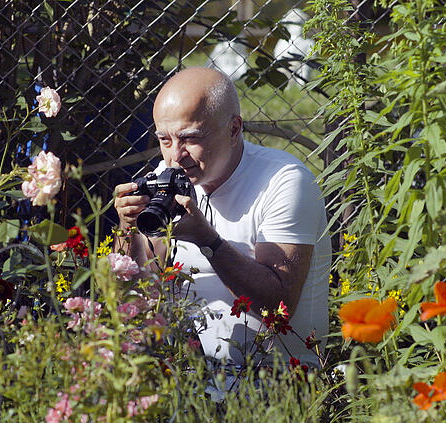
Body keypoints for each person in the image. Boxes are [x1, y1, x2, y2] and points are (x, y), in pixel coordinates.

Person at [114, 67, 330, 365]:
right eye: (164, 140)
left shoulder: (284, 181)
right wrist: (128, 228)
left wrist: (207, 241)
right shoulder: (166, 177)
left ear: (233, 129)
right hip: (187, 376)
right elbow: (136, 293)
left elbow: (278, 305)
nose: (175, 156)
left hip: (274, 379)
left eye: (190, 138)